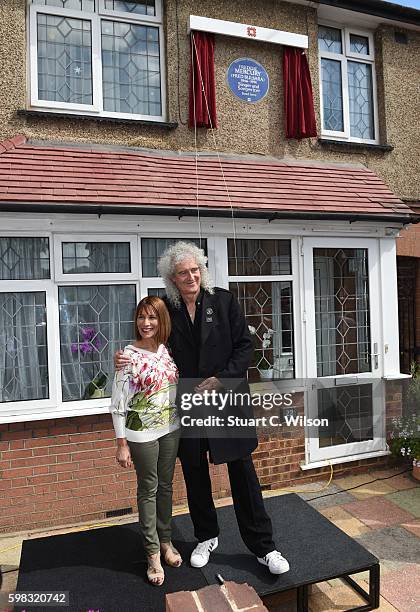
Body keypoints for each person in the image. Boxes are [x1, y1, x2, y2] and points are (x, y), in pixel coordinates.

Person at [115, 242, 290, 575]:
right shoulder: (166, 308)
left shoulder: (224, 301)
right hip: (188, 402)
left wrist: (221, 379)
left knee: (243, 474)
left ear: (202, 271)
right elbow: (148, 343)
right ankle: (206, 536)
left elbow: (244, 347)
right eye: (183, 272)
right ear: (173, 278)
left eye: (195, 270)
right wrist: (125, 357)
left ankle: (264, 548)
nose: (191, 276)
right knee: (195, 474)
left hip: (226, 399)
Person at [111, 296, 181, 586]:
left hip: (171, 428)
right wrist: (121, 443)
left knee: (166, 487)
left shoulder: (167, 351)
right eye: (141, 317)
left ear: (161, 320)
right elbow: (117, 403)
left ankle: (166, 541)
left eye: (152, 317)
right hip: (141, 433)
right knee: (148, 489)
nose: (146, 323)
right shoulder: (128, 356)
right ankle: (152, 552)